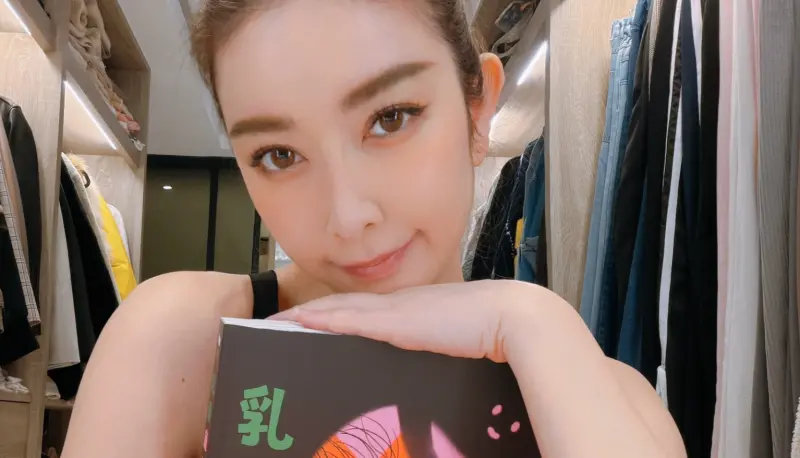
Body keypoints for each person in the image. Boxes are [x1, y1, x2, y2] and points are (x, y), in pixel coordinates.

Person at [62, 0, 686, 457]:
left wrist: (533, 320)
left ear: (477, 110)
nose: (347, 215)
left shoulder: (609, 401)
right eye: (279, 154)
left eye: (391, 118)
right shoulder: (185, 345)